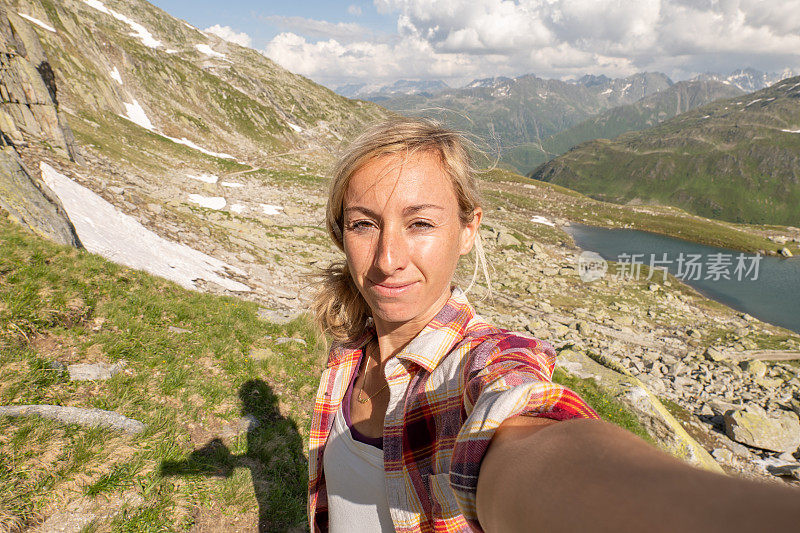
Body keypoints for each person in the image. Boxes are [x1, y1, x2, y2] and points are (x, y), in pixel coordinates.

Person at [308, 117, 800, 533]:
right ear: (341, 233)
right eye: (363, 224)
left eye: (420, 224)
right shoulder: (348, 353)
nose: (388, 258)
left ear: (468, 230)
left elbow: (522, 419)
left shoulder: (482, 362)